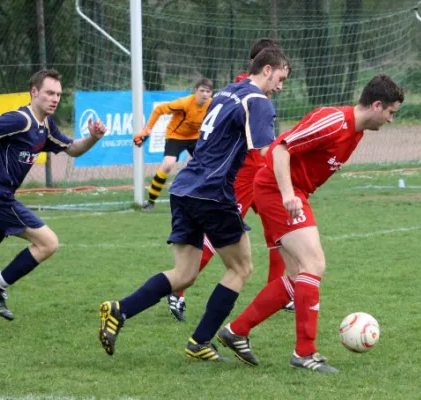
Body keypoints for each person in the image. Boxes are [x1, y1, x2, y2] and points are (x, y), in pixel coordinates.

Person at [98, 48, 291, 359]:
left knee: (184, 273)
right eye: (281, 78)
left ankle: (119, 310)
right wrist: (291, 186)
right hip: (212, 193)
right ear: (267, 69)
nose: (281, 86)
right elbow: (268, 152)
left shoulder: (228, 91)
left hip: (184, 188)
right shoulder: (257, 101)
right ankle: (200, 342)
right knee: (241, 268)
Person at [216, 74, 404, 373]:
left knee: (296, 278)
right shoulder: (334, 121)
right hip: (278, 191)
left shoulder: (355, 131)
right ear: (377, 105)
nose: (391, 120)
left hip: (286, 192)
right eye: (391, 112)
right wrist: (289, 194)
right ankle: (305, 352)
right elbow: (279, 149)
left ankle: (237, 331)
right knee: (314, 264)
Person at [165, 38, 291, 323]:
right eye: (280, 76)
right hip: (243, 174)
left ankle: (280, 292)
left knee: (280, 229)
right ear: (262, 66)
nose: (280, 85)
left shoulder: (245, 89)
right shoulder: (247, 90)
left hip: (262, 173)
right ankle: (178, 290)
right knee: (220, 236)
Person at [0, 69, 107, 320]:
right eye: (49, 93)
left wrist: (93, 138)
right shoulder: (20, 119)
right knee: (48, 242)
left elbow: (73, 149)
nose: (55, 98)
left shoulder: (46, 126)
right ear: (34, 92)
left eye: (58, 94)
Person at [134, 78, 214, 211]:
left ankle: (201, 199)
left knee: (207, 166)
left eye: (208, 91)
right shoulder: (183, 103)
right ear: (196, 91)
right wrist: (146, 131)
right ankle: (151, 201)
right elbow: (159, 109)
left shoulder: (213, 105)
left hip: (195, 137)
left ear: (212, 93)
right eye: (202, 91)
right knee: (168, 164)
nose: (205, 94)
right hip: (176, 136)